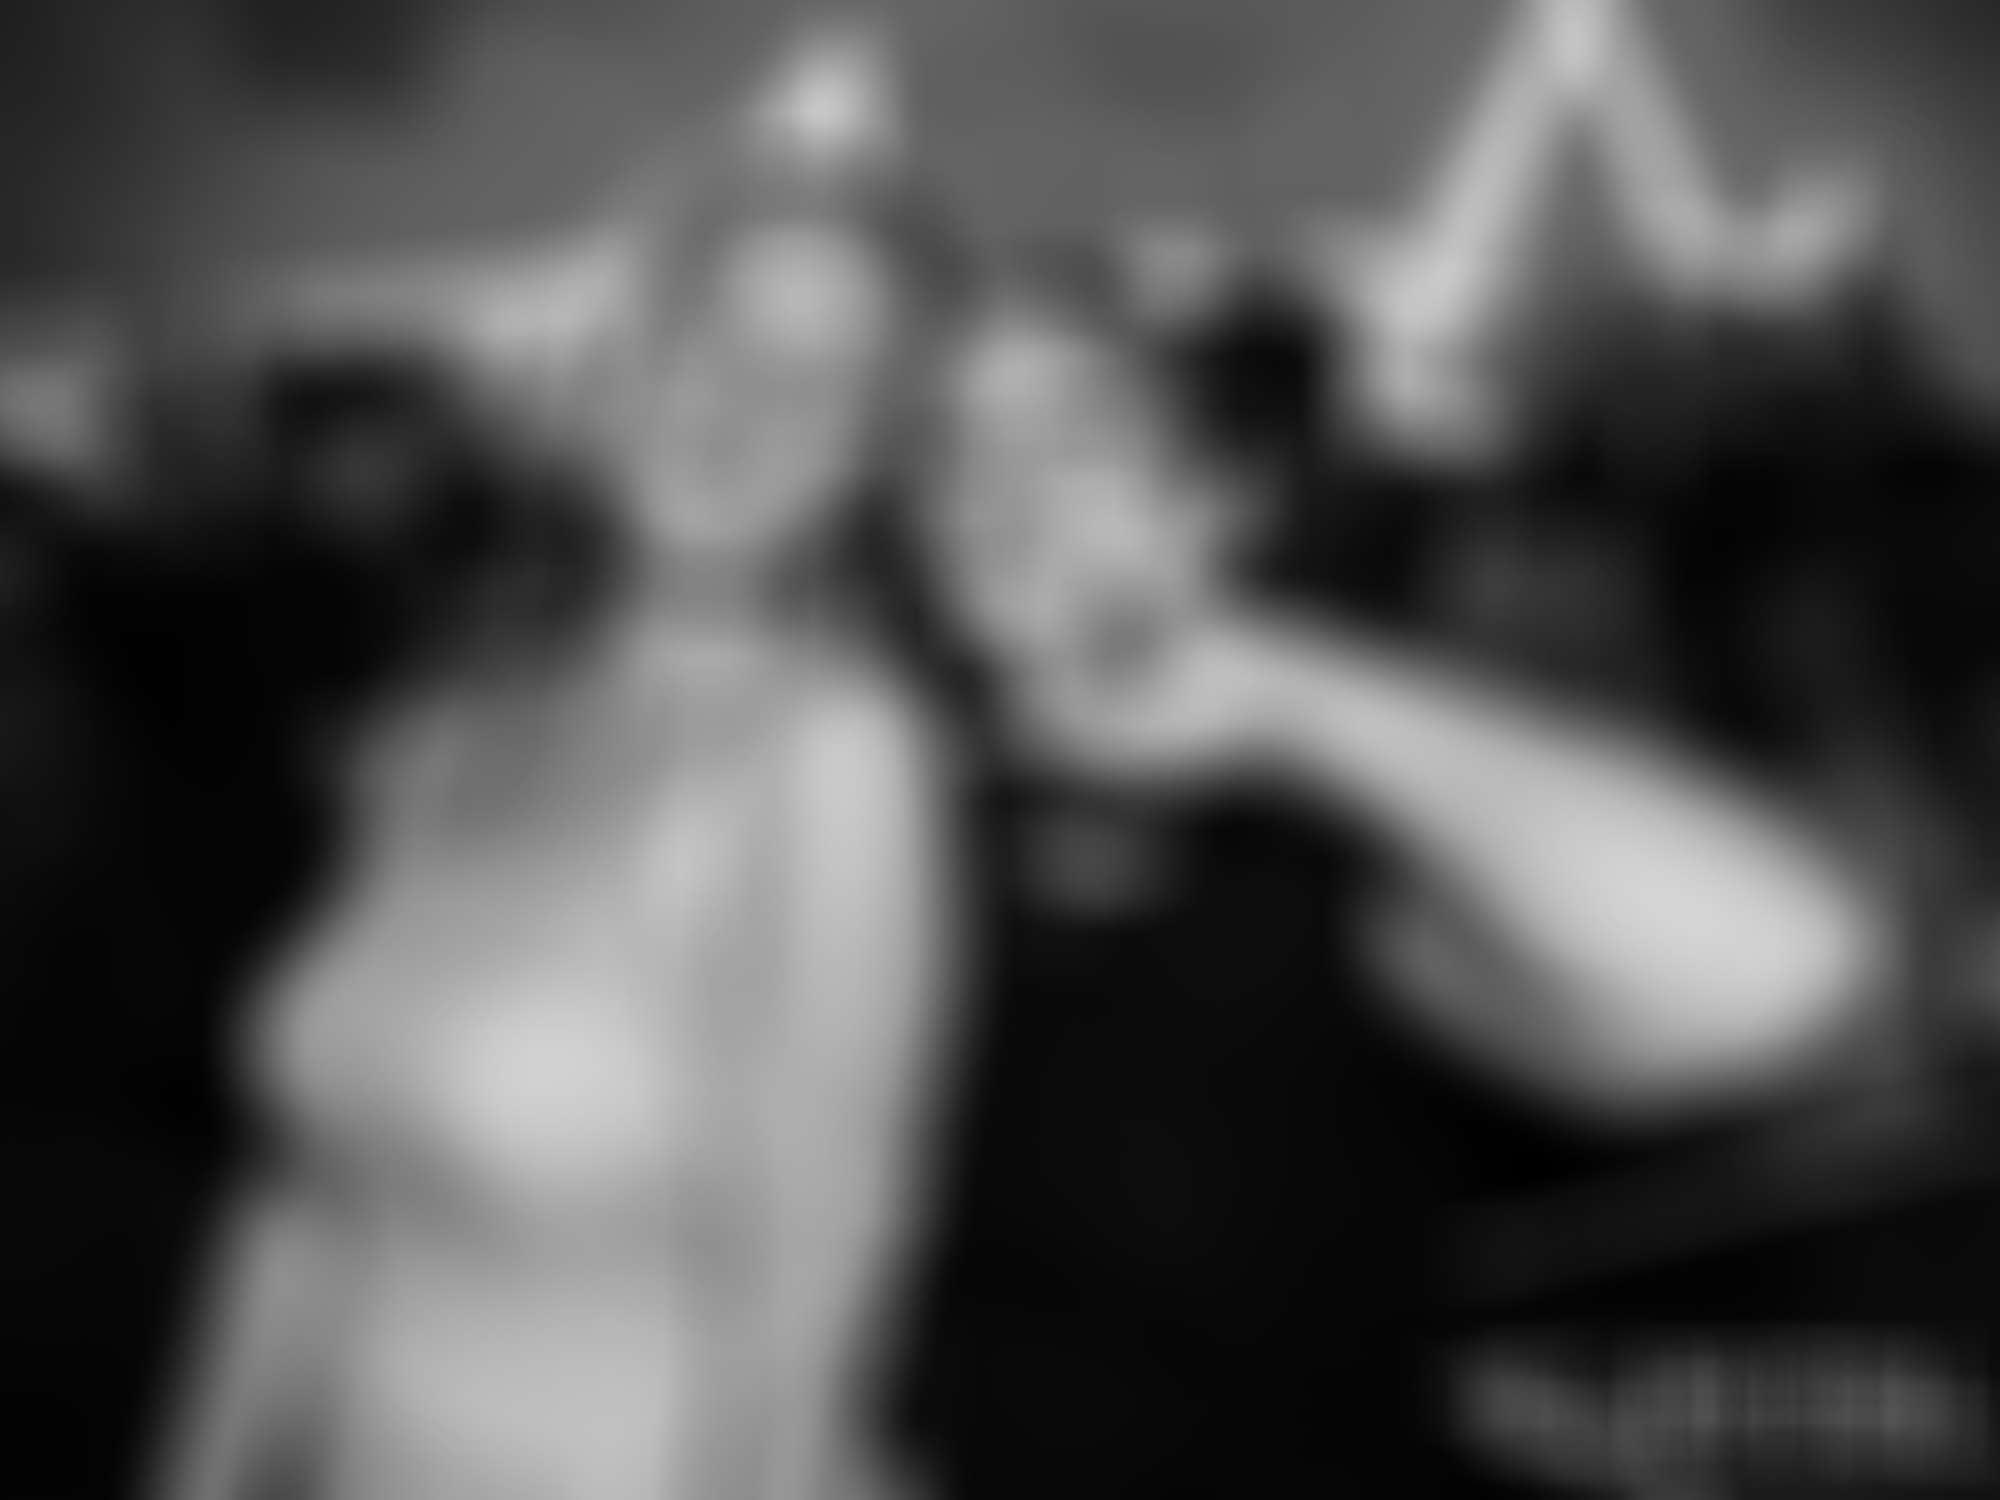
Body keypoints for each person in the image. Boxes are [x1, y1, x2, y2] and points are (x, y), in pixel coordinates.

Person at [892, 268, 1892, 1498]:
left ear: (1219, 502)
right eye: (947, 439)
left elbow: (1785, 971)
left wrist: (1272, 693)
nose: (1000, 477)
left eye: (1075, 429)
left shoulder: (1312, 851)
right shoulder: (870, 818)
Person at [150, 84, 961, 1500]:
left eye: (824, 379)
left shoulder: (839, 756)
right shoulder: (444, 729)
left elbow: (815, 1296)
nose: (745, 402)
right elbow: (307, 1202)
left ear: (871, 456)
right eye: (712, 331)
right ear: (622, 353)